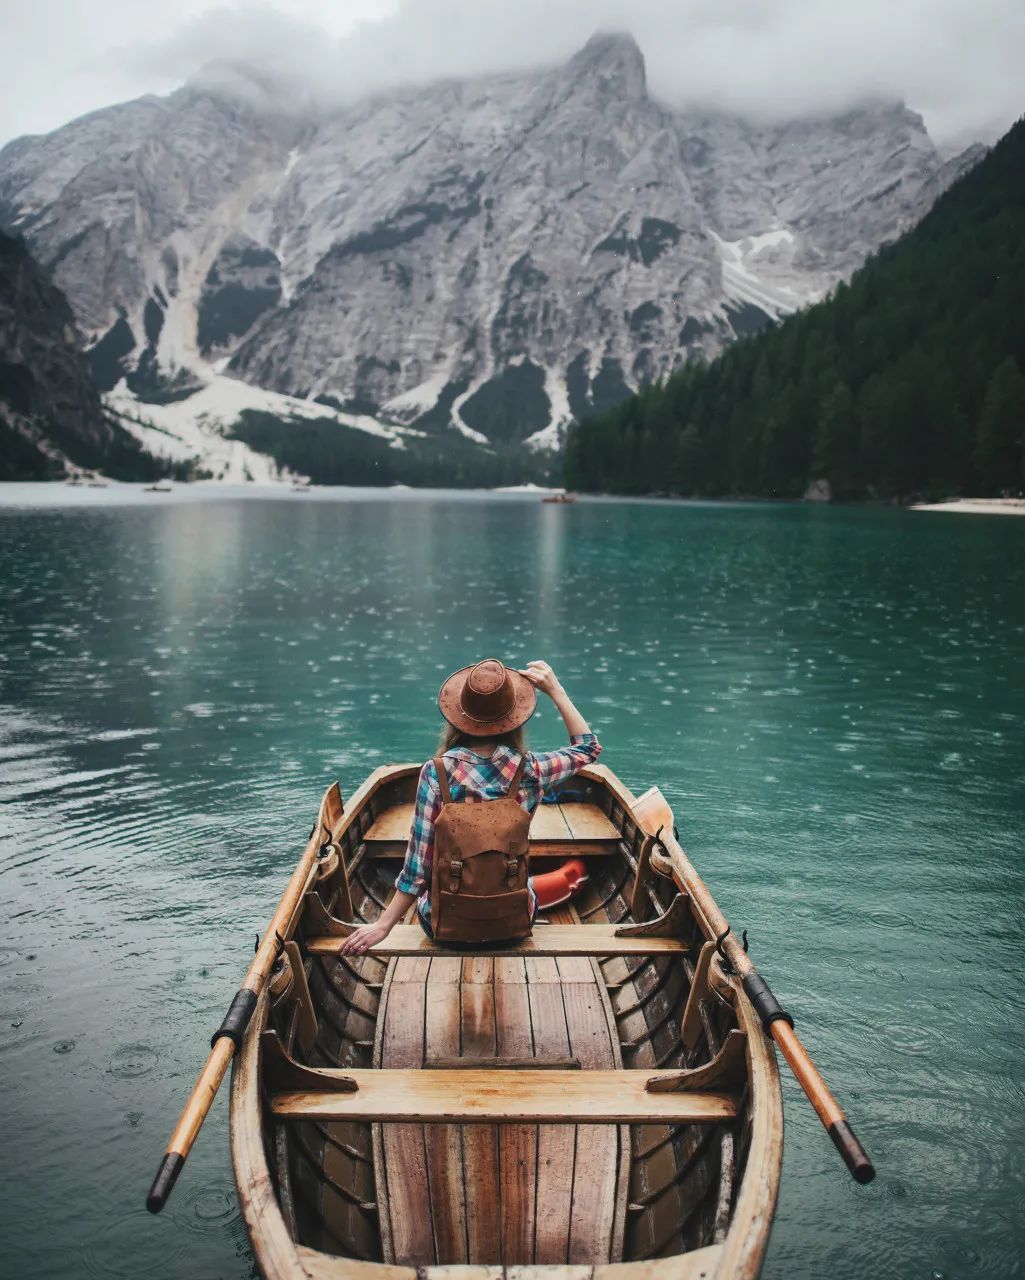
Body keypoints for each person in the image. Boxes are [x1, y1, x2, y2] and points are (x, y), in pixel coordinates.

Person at [339, 658, 601, 954]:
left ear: (458, 718)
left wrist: (383, 926)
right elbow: (588, 747)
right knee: (525, 886)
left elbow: (418, 866)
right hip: (514, 923)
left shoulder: (435, 773)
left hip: (446, 929)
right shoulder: (532, 769)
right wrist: (556, 691)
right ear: (514, 719)